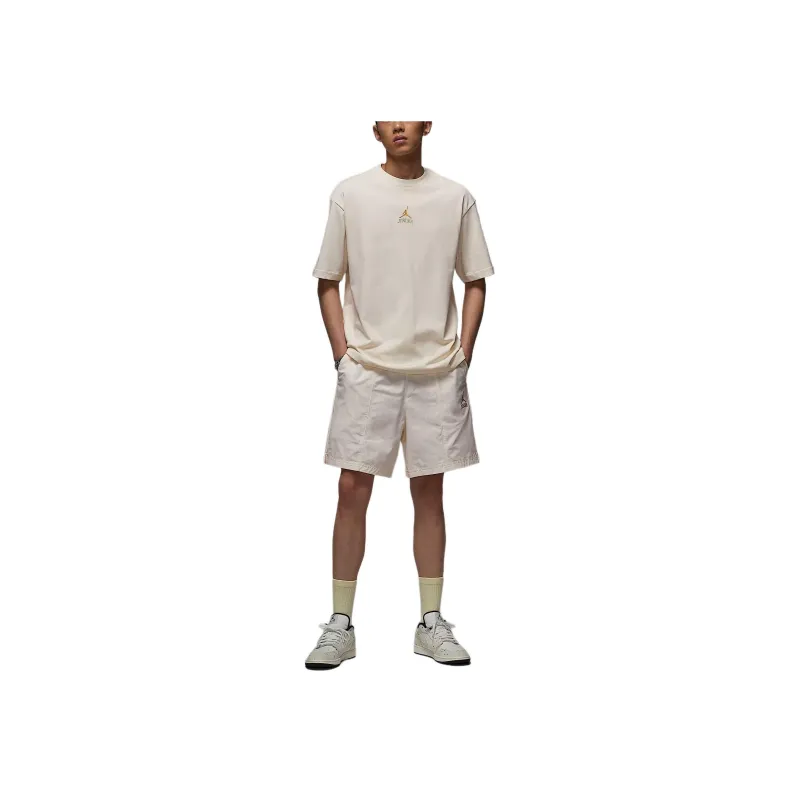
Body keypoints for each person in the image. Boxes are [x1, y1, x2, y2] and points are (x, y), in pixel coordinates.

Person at [305, 121, 495, 670]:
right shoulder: (351, 194)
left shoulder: (455, 197)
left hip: (437, 370)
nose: (397, 125)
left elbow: (476, 279)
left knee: (429, 490)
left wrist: (463, 352)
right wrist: (342, 355)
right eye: (387, 115)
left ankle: (431, 623)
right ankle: (341, 625)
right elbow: (327, 280)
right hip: (368, 369)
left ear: (427, 123)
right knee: (352, 489)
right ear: (374, 128)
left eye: (408, 114)